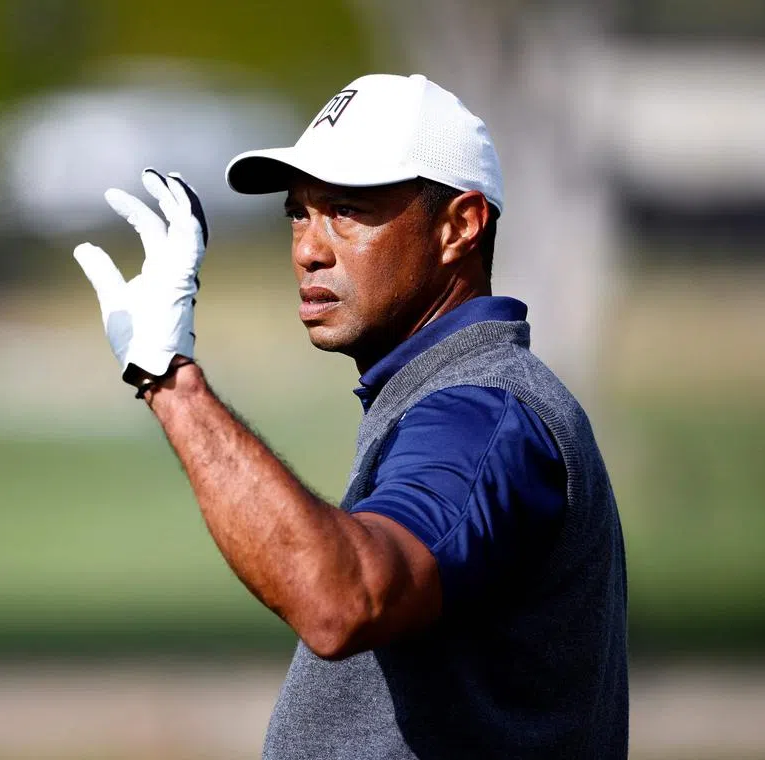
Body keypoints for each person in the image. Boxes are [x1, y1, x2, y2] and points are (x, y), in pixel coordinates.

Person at [73, 74, 628, 759]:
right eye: (299, 213)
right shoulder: (442, 395)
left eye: (346, 209)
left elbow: (343, 600)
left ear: (460, 225)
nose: (309, 247)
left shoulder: (484, 413)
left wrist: (172, 384)